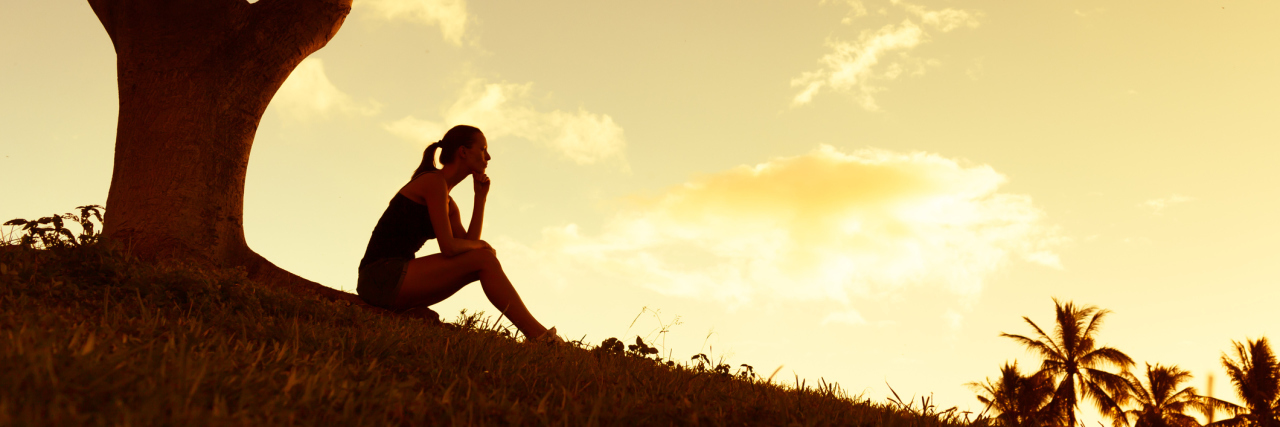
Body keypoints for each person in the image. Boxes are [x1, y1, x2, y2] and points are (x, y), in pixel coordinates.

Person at [357, 125, 560, 342]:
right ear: (463, 152)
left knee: (483, 259)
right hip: (380, 276)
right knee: (483, 256)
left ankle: (540, 336)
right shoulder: (433, 182)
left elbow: (468, 253)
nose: (488, 156)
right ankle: (539, 337)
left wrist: (480, 199)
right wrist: (481, 245)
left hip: (396, 281)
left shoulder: (449, 203)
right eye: (483, 149)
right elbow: (450, 247)